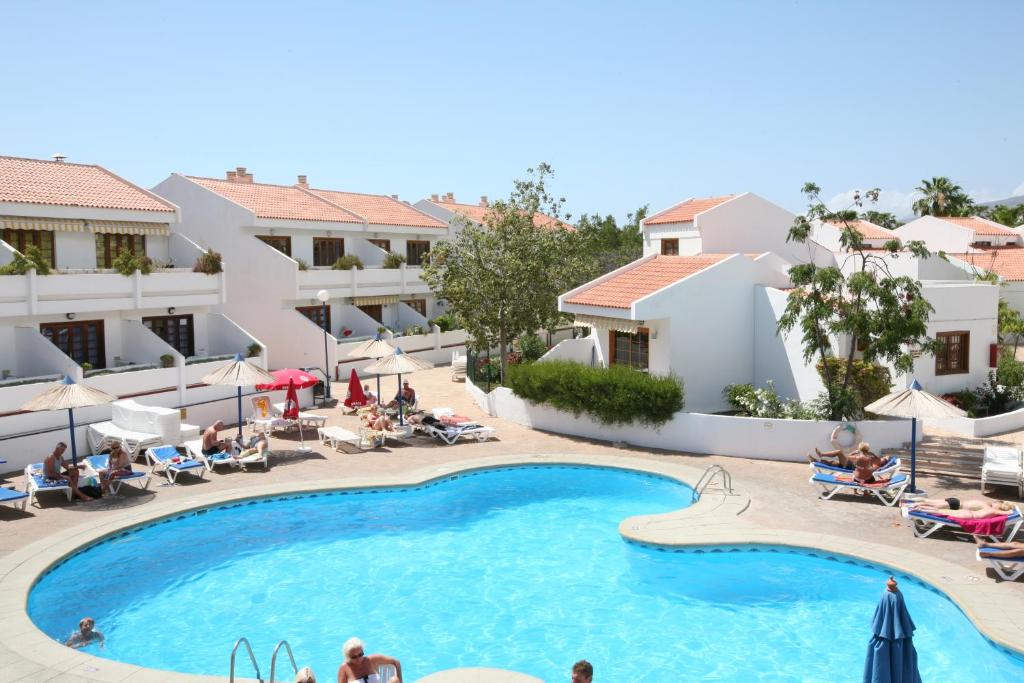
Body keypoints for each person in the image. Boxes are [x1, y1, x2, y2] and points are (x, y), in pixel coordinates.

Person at [337, 637, 401, 683]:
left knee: (394, 680)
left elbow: (396, 662)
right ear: (348, 657)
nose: (358, 659)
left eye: (360, 654)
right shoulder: (344, 668)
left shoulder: (372, 660)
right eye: (354, 657)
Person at [912, 500, 1014, 519]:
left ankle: (920, 507)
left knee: (938, 509)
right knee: (940, 512)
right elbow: (1009, 512)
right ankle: (921, 509)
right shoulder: (994, 511)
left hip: (966, 511)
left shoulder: (990, 507)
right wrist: (1013, 511)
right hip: (969, 515)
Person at [909, 497, 1011, 512]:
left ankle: (909, 499)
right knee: (932, 506)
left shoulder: (986, 502)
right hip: (955, 505)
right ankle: (911, 506)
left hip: (955, 500)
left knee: (928, 501)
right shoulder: (987, 507)